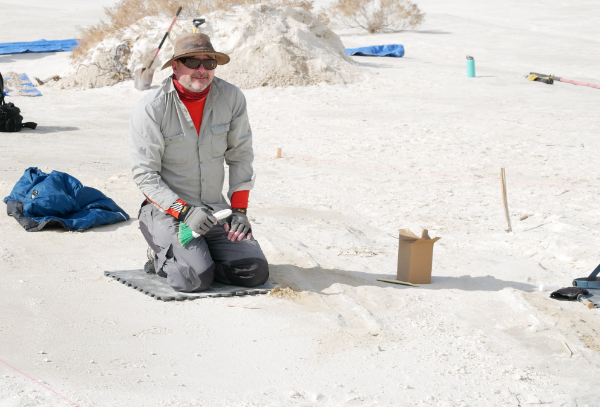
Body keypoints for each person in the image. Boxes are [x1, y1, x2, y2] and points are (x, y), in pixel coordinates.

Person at [130, 33, 269, 292]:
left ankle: (204, 254)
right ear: (175, 66)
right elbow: (144, 175)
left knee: (254, 272)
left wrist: (239, 210)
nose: (202, 70)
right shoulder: (152, 107)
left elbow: (240, 155)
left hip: (214, 210)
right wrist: (184, 211)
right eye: (193, 62)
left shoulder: (231, 97)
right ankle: (161, 254)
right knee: (193, 278)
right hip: (168, 212)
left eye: (209, 63)